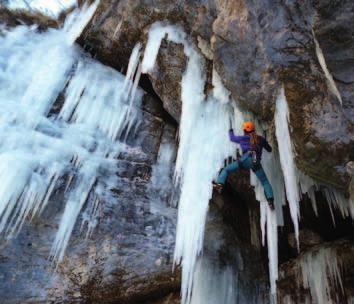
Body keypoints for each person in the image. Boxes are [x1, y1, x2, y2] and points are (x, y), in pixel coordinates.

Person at [213, 121, 275, 210]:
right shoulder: (260, 139)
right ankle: (270, 201)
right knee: (265, 181)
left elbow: (232, 138)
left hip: (246, 159)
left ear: (245, 130)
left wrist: (230, 129)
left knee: (226, 170)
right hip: (255, 161)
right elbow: (269, 149)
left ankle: (220, 184)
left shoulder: (243, 138)